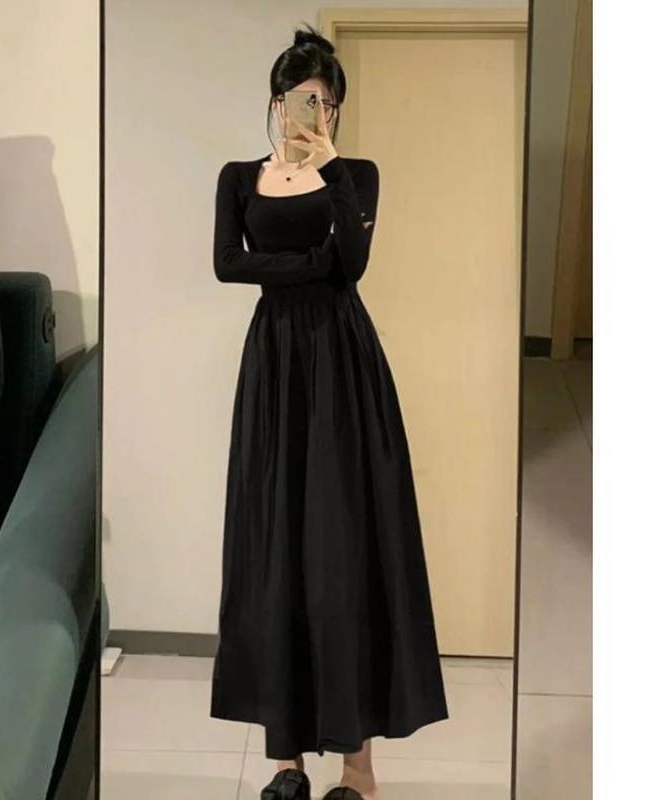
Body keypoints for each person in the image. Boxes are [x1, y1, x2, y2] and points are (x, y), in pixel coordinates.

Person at [209, 23, 448, 800]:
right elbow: (227, 263)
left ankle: (359, 769)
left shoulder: (356, 175)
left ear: (337, 110)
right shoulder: (238, 178)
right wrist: (309, 265)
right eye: (300, 98)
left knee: (344, 556)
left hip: (343, 367)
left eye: (325, 102)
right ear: (276, 103)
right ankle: (286, 763)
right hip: (275, 369)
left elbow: (354, 263)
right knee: (277, 550)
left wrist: (329, 175)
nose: (313, 113)